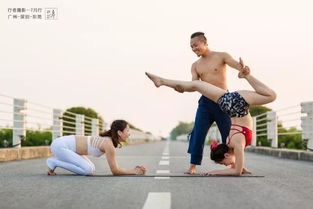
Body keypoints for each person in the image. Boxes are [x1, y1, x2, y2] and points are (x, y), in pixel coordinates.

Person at [145, 58, 276, 175]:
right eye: (225, 164)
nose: (226, 165)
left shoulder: (236, 144)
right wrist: (230, 169)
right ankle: (161, 81)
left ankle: (162, 81)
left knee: (271, 95)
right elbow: (236, 171)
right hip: (231, 103)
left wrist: (215, 172)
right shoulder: (230, 142)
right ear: (226, 154)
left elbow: (236, 171)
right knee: (196, 85)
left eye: (224, 164)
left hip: (235, 104)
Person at [180, 32, 247, 174]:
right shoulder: (195, 65)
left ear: (205, 42)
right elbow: (194, 84)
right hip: (205, 103)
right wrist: (183, 89)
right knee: (198, 133)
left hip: (223, 101)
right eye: (191, 47)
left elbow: (237, 65)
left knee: (229, 135)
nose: (193, 49)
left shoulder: (221, 56)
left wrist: (243, 68)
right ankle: (193, 166)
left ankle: (237, 165)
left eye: (195, 45)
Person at [46, 120, 147, 176]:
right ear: (119, 133)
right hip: (61, 146)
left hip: (66, 145)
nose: (129, 134)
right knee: (87, 170)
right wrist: (134, 171)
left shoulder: (109, 142)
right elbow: (115, 171)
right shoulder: (109, 144)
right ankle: (54, 162)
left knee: (92, 168)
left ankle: (54, 162)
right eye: (128, 131)